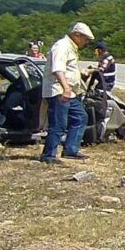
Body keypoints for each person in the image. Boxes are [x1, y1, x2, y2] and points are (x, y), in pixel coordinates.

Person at [40, 22, 94, 163]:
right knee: (58, 124)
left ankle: (71, 149)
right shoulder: (62, 46)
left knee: (80, 117)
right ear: (77, 35)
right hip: (59, 90)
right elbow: (58, 69)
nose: (86, 43)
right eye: (85, 39)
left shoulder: (71, 48)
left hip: (70, 92)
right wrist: (66, 88)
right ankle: (48, 155)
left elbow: (70, 70)